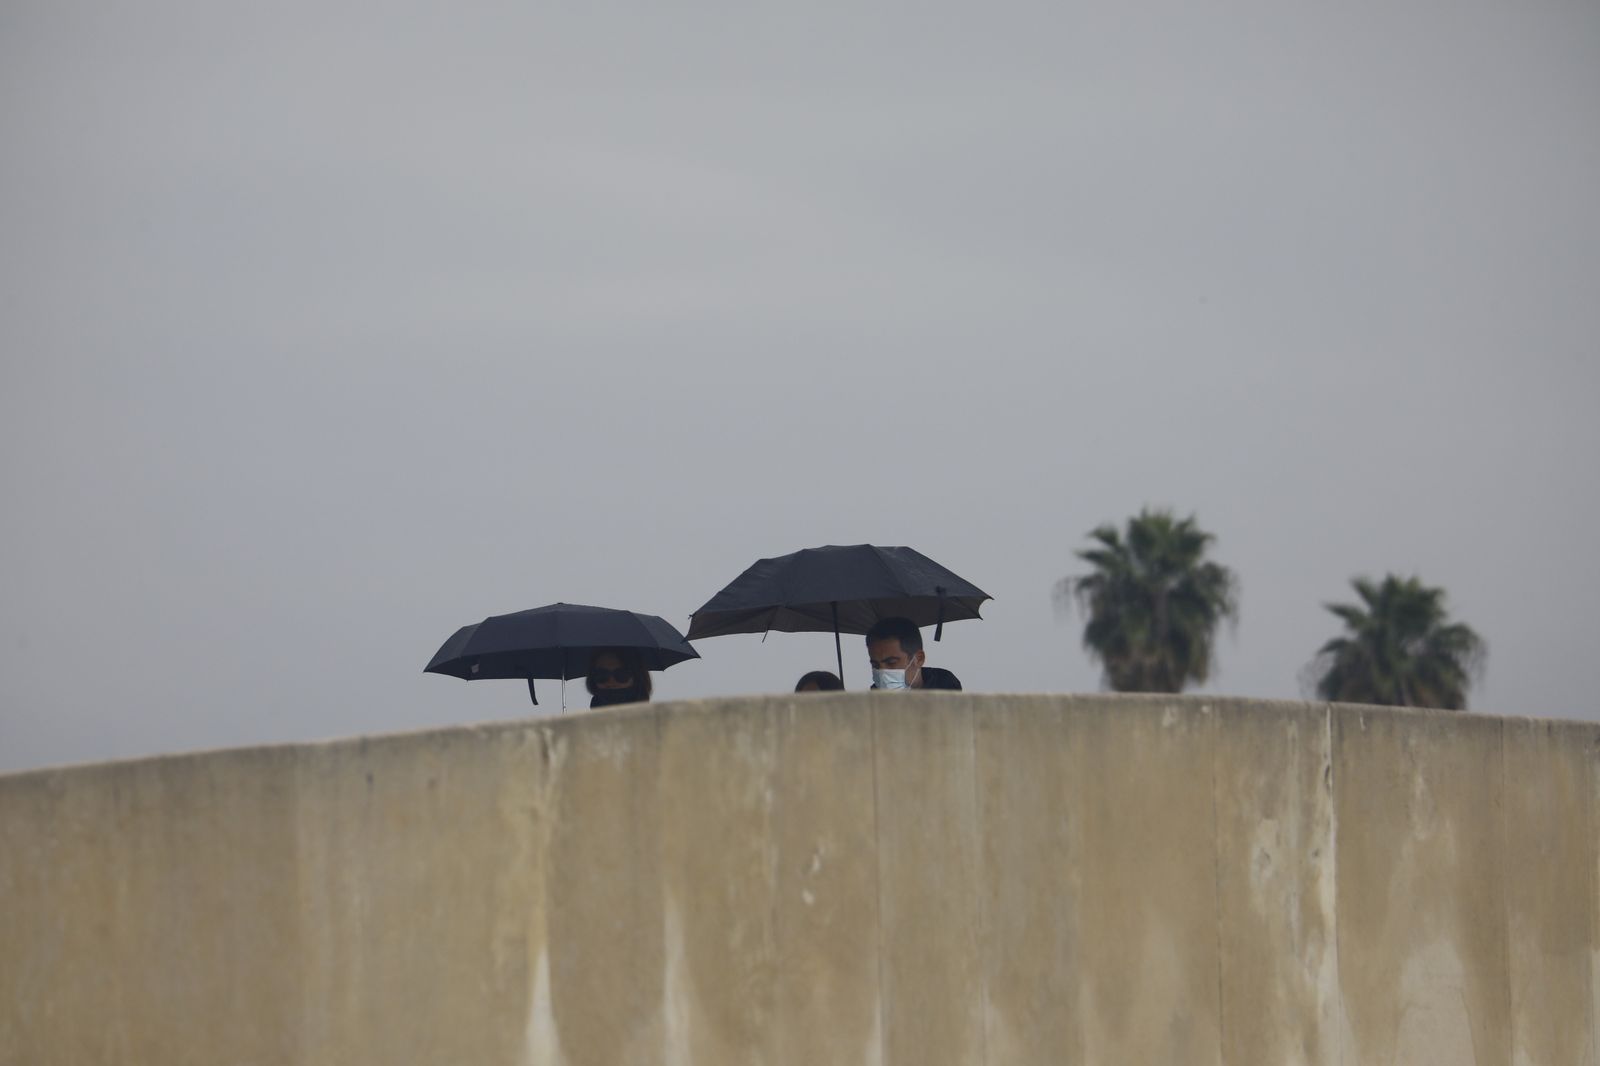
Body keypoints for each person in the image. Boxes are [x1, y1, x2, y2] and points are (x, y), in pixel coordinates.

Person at [865, 617, 962, 690]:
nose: (882, 671)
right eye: (875, 665)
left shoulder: (949, 696)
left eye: (891, 663)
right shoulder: (868, 707)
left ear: (919, 659)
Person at [586, 647, 652, 708]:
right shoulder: (582, 720)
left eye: (621, 674)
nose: (611, 681)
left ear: (637, 678)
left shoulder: (657, 719)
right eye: (602, 674)